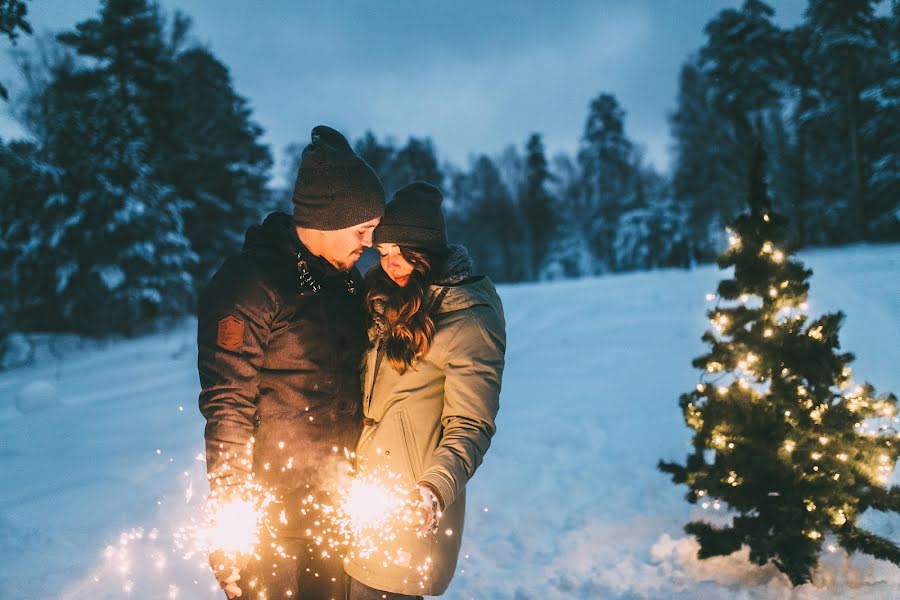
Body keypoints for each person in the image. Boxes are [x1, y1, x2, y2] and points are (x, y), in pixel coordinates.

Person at [197, 125, 385, 599]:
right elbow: (227, 405)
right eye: (362, 230)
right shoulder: (250, 283)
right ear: (329, 216)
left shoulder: (348, 285)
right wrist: (229, 514)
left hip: (338, 509)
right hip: (273, 521)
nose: (369, 243)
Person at [344, 182, 506, 599]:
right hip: (365, 503)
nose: (390, 264)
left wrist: (434, 489)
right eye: (382, 253)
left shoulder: (467, 318)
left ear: (426, 250)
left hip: (410, 514)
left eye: (401, 253)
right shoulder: (383, 301)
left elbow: (470, 423)